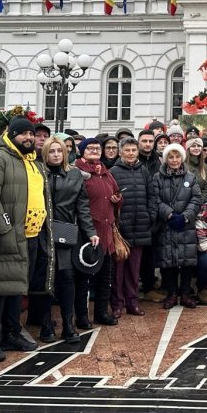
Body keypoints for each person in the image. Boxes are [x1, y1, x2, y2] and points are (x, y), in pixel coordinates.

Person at [0, 117, 52, 363]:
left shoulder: (32, 161)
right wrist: (5, 229)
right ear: (11, 134)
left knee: (16, 289)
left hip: (30, 235)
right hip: (3, 237)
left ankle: (12, 333)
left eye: (31, 134)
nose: (28, 138)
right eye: (23, 134)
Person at [42, 138, 97, 341]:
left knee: (66, 278)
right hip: (42, 232)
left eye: (59, 151)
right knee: (46, 280)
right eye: (52, 151)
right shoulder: (39, 173)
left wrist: (90, 231)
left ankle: (68, 324)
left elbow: (82, 206)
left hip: (65, 232)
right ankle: (46, 325)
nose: (56, 154)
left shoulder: (74, 174)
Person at [74, 139, 119, 327]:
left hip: (106, 233)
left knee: (105, 277)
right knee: (83, 279)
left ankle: (101, 312)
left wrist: (118, 199)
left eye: (97, 148)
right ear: (82, 152)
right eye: (89, 148)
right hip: (88, 233)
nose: (94, 151)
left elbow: (115, 194)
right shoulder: (78, 172)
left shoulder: (106, 173)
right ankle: (82, 317)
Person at [151, 143, 202, 309]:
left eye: (177, 156)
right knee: (168, 261)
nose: (174, 160)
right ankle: (172, 293)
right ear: (166, 159)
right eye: (171, 157)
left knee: (186, 260)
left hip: (186, 225)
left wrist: (186, 216)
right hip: (167, 224)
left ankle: (185, 293)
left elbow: (196, 199)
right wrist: (169, 214)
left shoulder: (190, 177)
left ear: (182, 158)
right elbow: (155, 199)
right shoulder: (157, 178)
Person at [109, 137, 151, 318]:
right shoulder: (113, 172)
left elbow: (152, 196)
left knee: (134, 269)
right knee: (118, 270)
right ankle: (117, 304)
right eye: (127, 150)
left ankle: (133, 302)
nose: (131, 154)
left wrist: (150, 217)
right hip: (121, 229)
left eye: (134, 150)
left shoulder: (144, 171)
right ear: (120, 152)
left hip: (141, 226)